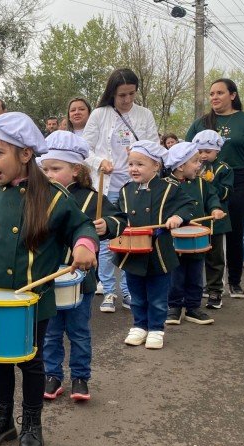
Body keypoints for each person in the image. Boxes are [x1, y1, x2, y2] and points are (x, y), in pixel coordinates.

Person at [0, 112, 98, 446]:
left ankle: (32, 424)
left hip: (33, 300)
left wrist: (85, 245)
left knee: (31, 361)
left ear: (26, 154)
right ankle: (2, 419)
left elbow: (81, 226)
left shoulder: (53, 197)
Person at [38, 131, 127, 401]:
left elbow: (120, 220)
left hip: (81, 278)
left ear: (76, 170)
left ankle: (80, 377)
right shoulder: (41, 196)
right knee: (51, 333)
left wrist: (107, 225)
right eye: (45, 169)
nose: (49, 174)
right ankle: (52, 375)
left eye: (56, 168)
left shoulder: (91, 198)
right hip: (50, 276)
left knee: (79, 331)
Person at [83, 68, 159, 314]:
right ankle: (108, 290)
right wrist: (99, 162)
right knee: (106, 241)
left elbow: (154, 147)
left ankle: (127, 290)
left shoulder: (144, 115)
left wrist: (139, 155)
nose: (127, 100)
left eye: (131, 94)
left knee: (131, 238)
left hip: (134, 187)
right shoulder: (99, 114)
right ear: (111, 94)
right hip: (106, 186)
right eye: (121, 95)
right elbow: (85, 149)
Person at [185, 78, 244, 299]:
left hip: (238, 180)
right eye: (211, 94)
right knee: (208, 233)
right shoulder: (201, 122)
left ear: (233, 95)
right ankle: (211, 285)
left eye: (219, 93)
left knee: (235, 233)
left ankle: (235, 282)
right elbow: (184, 151)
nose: (214, 97)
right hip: (206, 182)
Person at [115, 141, 194, 350]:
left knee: (158, 296)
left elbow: (188, 206)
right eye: (131, 164)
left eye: (139, 164)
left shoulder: (169, 188)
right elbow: (117, 215)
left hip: (159, 251)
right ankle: (139, 325)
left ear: (156, 166)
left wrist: (178, 216)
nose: (133, 168)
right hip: (132, 251)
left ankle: (156, 328)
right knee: (137, 293)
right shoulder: (125, 190)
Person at [163, 142, 224, 326]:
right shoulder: (165, 185)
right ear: (181, 166)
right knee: (176, 274)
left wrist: (215, 209)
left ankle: (193, 307)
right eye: (195, 161)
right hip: (173, 240)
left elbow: (212, 196)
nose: (200, 165)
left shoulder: (201, 183)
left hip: (197, 238)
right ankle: (173, 307)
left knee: (196, 273)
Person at [191, 130, 233, 309]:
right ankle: (198, 287)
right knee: (195, 255)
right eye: (200, 151)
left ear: (217, 150)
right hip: (198, 220)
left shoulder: (224, 169)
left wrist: (209, 183)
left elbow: (226, 193)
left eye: (208, 151)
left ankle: (215, 289)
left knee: (215, 257)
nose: (203, 155)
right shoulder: (192, 167)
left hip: (216, 220)